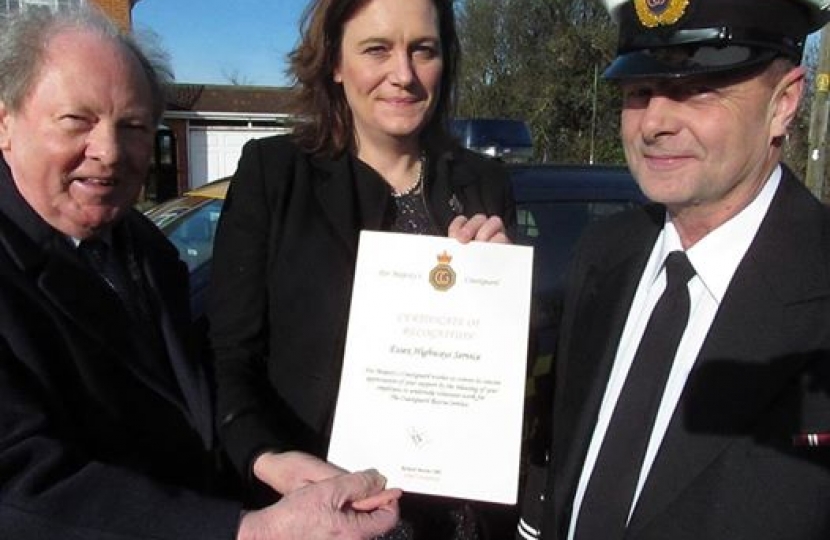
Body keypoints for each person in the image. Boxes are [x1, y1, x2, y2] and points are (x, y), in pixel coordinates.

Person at [0, 6, 400, 540]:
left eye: (135, 126)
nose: (109, 151)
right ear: (6, 123)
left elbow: (190, 401)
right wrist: (243, 531)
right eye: (77, 120)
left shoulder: (142, 246)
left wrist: (262, 460)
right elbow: (19, 488)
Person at [207, 0, 516, 538]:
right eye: (377, 49)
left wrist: (504, 296)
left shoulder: (483, 182)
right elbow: (228, 357)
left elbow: (507, 367)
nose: (404, 75)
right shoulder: (274, 175)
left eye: (424, 50)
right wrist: (263, 455)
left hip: (458, 520)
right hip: (323, 514)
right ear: (335, 62)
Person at [530, 0, 830, 539]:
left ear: (784, 103)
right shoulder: (603, 256)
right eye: (639, 92)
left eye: (696, 91)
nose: (656, 123)